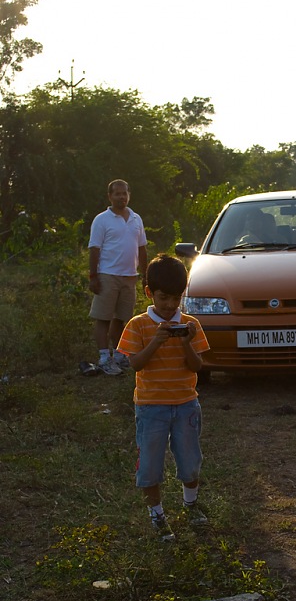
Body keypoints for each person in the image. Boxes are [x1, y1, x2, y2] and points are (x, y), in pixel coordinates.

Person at [117, 253, 210, 542]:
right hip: (150, 406)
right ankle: (157, 514)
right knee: (150, 465)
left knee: (190, 459)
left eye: (176, 298)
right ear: (149, 293)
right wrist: (156, 340)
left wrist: (185, 343)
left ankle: (190, 503)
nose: (170, 306)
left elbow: (197, 367)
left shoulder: (190, 324)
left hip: (185, 403)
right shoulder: (138, 325)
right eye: (163, 298)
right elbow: (135, 364)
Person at [88, 179, 148, 375]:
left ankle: (120, 355)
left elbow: (142, 248)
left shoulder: (136, 219)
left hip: (130, 276)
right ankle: (104, 357)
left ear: (129, 195)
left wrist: (146, 274)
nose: (121, 197)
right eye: (117, 194)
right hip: (107, 275)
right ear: (110, 196)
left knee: (122, 318)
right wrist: (93, 276)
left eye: (124, 193)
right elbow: (94, 249)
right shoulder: (101, 220)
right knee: (103, 318)